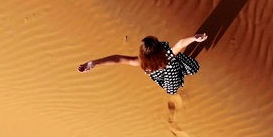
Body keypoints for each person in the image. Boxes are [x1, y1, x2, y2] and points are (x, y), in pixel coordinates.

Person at [77, 33, 207, 94]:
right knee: (178, 63)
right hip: (172, 74)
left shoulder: (142, 62)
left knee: (173, 76)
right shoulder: (168, 54)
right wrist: (195, 38)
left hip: (166, 79)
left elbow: (118, 59)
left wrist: (95, 62)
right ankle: (182, 74)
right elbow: (180, 43)